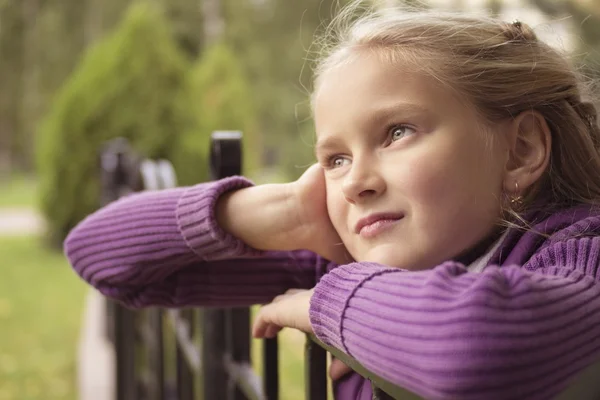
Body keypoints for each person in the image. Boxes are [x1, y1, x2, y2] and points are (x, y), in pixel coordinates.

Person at [64, 3, 600, 399]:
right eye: (335, 159)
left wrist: (320, 310)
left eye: (396, 132)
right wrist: (285, 213)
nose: (355, 182)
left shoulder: (579, 253)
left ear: (521, 149)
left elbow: (475, 347)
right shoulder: (344, 253)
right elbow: (101, 257)